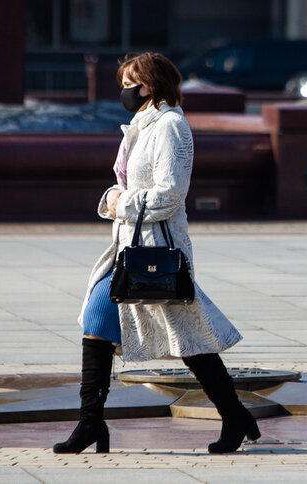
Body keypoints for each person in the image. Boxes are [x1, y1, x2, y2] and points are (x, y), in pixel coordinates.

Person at [53, 52, 259, 454]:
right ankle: (90, 423)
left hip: (157, 251)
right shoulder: (139, 126)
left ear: (149, 84)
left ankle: (234, 415)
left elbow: (170, 194)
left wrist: (121, 202)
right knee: (95, 323)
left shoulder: (171, 126)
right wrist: (113, 198)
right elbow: (128, 184)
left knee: (190, 341)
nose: (124, 90)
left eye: (130, 82)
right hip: (127, 247)